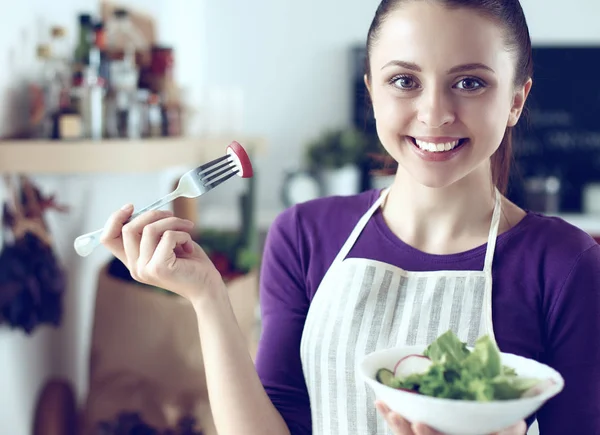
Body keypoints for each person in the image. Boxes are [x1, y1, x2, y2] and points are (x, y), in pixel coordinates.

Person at [99, 0, 600, 434]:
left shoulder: (565, 264)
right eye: (404, 80)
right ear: (372, 92)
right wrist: (207, 297)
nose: (434, 113)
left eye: (469, 82)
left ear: (516, 100)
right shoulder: (303, 236)